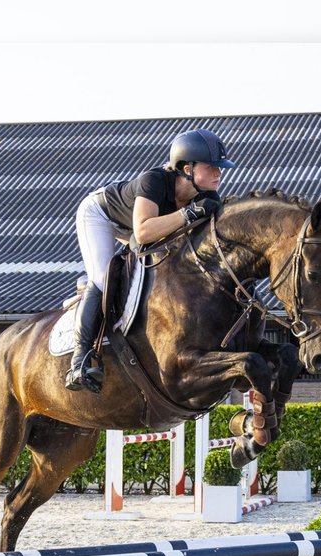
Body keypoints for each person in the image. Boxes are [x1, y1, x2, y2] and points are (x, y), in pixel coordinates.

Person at [65, 128, 236, 393]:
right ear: (187, 168)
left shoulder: (208, 198)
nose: (219, 173)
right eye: (211, 166)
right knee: (102, 277)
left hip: (138, 227)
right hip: (101, 217)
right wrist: (189, 214)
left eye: (220, 167)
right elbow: (143, 231)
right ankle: (80, 359)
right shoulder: (153, 181)